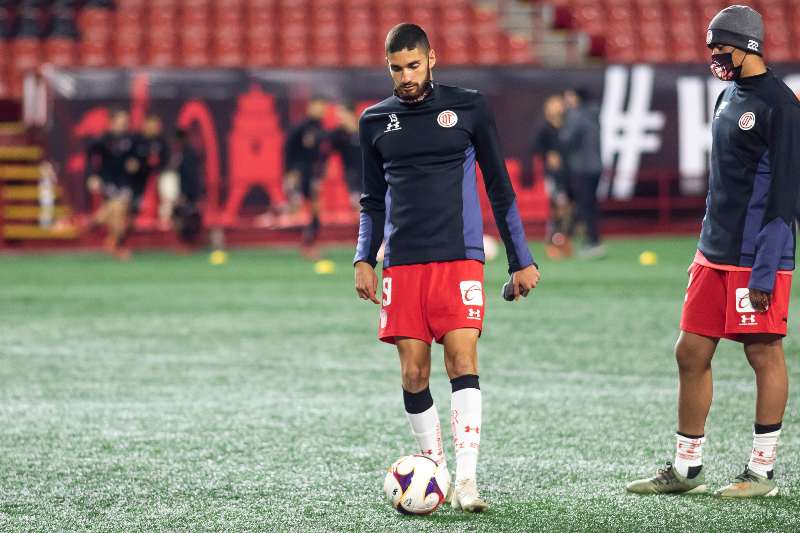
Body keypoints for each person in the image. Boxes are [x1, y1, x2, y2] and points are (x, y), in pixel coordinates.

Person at [353, 23, 540, 512]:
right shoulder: (374, 121)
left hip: (459, 258)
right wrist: (364, 257)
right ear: (388, 67)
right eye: (397, 69)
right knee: (414, 375)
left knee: (462, 360)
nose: (407, 77)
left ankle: (468, 481)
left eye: (414, 65)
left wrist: (521, 258)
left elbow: (500, 188)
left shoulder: (470, 107)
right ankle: (436, 468)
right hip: (402, 264)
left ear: (431, 58)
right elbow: (372, 200)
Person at [627, 5, 800, 498]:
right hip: (714, 252)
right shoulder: (728, 95)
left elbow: (786, 195)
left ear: (748, 47)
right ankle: (687, 469)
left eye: (720, 48)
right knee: (690, 352)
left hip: (754, 256)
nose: (714, 57)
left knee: (763, 353)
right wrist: (704, 247)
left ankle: (761, 472)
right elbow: (723, 182)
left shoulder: (781, 107)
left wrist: (766, 271)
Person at [85, 108, 139, 259]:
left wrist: (135, 163)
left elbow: (138, 157)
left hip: (126, 181)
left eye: (126, 120)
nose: (124, 123)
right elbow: (90, 158)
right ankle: (115, 246)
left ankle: (96, 220)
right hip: (109, 180)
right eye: (121, 120)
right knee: (118, 209)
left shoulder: (131, 139)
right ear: (112, 122)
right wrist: (93, 176)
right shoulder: (102, 140)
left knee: (119, 212)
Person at [560, 87, 604, 258]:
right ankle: (591, 240)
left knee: (584, 206)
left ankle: (592, 242)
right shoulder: (593, 113)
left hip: (582, 167)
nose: (566, 99)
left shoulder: (575, 115)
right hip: (596, 166)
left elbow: (566, 138)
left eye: (569, 96)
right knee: (590, 205)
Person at [283, 96, 327, 257]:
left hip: (312, 174)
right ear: (310, 107)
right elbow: (288, 149)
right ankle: (307, 243)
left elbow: (322, 154)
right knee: (301, 208)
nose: (321, 110)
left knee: (315, 209)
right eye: (318, 106)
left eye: (323, 107)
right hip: (300, 173)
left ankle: (309, 243)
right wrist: (290, 172)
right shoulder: (301, 127)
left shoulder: (320, 127)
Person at [531, 94, 573, 259]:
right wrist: (548, 154)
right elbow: (535, 147)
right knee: (557, 206)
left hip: (569, 173)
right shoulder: (544, 128)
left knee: (568, 207)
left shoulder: (567, 126)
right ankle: (553, 240)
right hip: (553, 175)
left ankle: (562, 238)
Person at [131, 113, 170, 217]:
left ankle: (165, 216)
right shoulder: (135, 140)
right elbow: (129, 160)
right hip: (137, 176)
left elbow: (166, 161)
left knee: (167, 180)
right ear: (145, 125)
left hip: (156, 177)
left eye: (156, 126)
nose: (153, 128)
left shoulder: (161, 142)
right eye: (151, 125)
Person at [329, 101, 362, 211]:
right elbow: (327, 148)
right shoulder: (339, 135)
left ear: (350, 113)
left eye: (341, 112)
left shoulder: (366, 130)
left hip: (371, 177)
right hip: (352, 178)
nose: (338, 117)